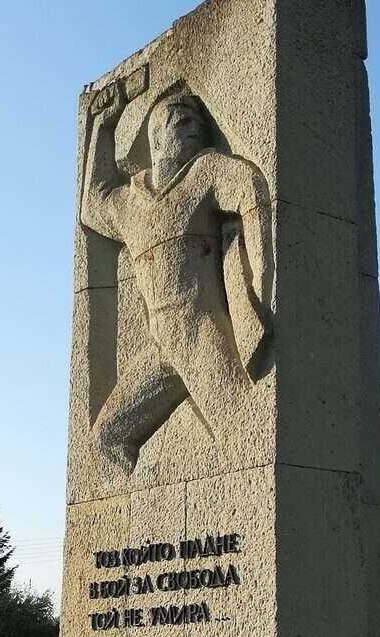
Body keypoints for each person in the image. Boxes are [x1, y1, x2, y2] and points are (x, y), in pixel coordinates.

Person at [81, 80, 271, 474]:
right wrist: (104, 125)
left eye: (197, 121)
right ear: (156, 137)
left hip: (200, 334)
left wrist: (259, 276)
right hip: (160, 346)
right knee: (106, 438)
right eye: (181, 120)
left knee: (246, 437)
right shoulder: (129, 203)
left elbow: (249, 187)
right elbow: (93, 204)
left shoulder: (205, 171)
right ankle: (144, 502)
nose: (194, 126)